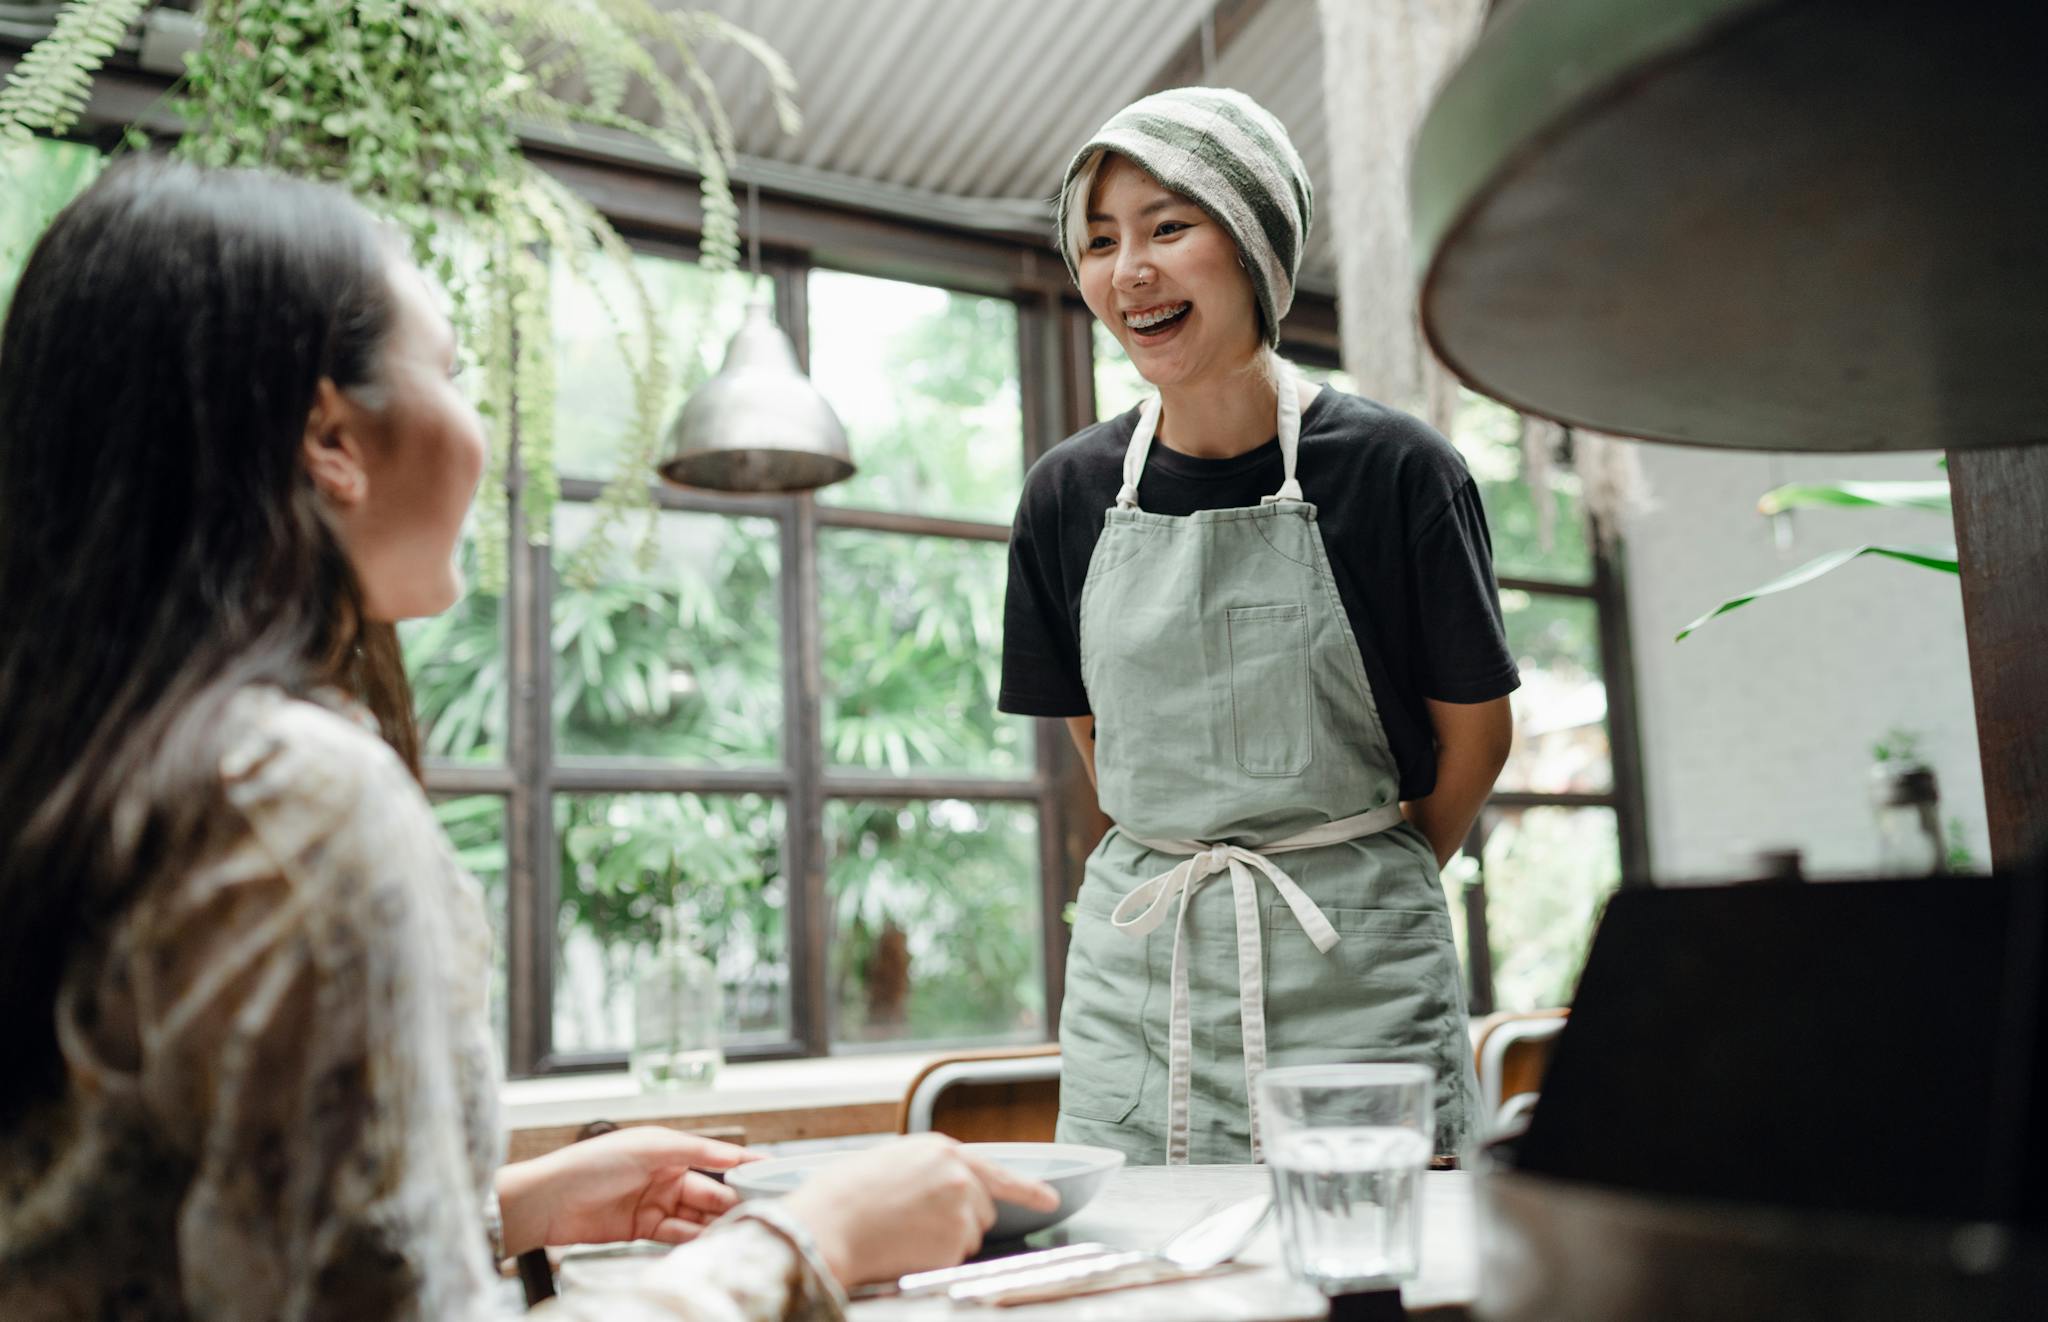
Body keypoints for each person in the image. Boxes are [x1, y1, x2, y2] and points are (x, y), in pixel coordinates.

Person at [0, 157, 1055, 1320]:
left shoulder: (101, 763)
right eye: (454, 375)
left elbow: (191, 1240)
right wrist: (809, 1237)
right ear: (329, 436)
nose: (484, 431)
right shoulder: (294, 801)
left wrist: (519, 1198)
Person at [1001, 88, 1518, 1166]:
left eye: (1165, 226)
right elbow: (1101, 742)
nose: (1125, 268)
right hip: (1144, 976)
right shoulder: (1066, 493)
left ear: (1251, 246)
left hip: (1354, 967)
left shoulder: (1396, 469)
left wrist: (1362, 882)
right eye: (1097, 241)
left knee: (1371, 1262)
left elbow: (1474, 734)